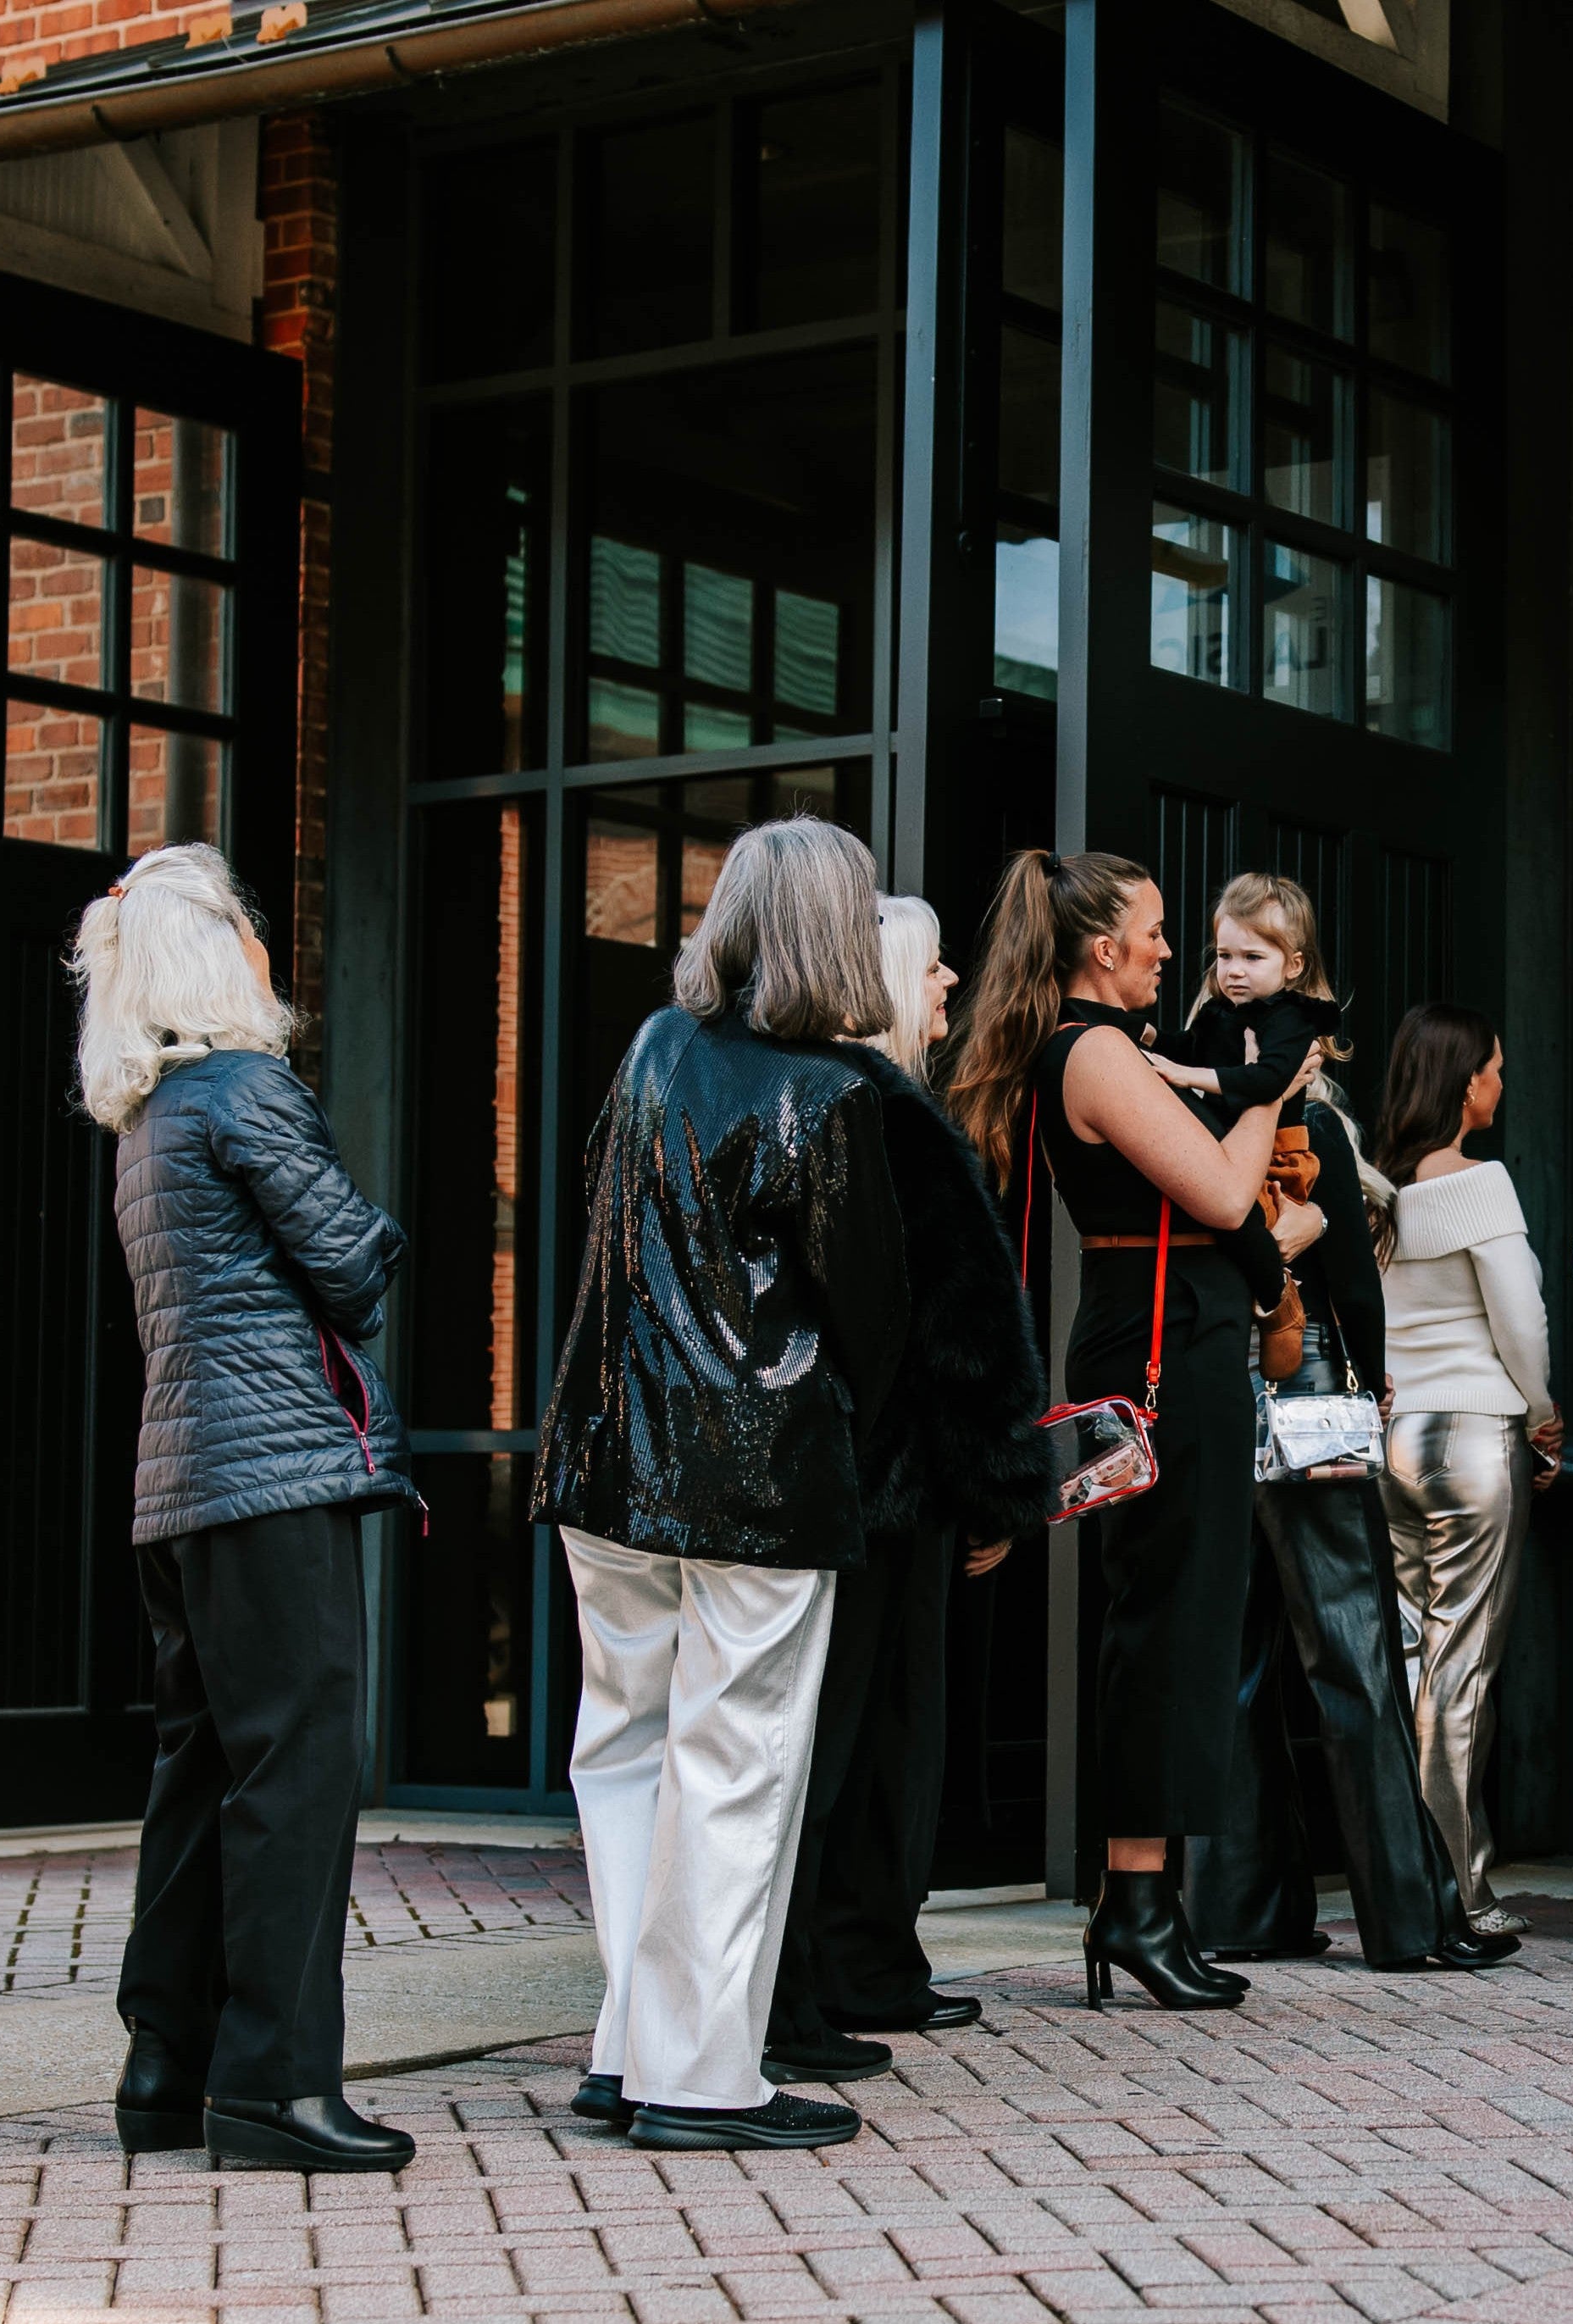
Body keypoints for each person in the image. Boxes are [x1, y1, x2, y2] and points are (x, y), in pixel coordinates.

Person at [536, 816, 919, 2148]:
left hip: (611, 1454)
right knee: (735, 1761)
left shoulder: (654, 1045)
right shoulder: (834, 1091)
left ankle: (629, 2046)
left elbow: (604, 1222)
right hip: (758, 1472)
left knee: (626, 1752)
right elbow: (872, 1309)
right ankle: (698, 2072)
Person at [73, 845, 417, 2174]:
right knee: (299, 1770)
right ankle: (277, 2081)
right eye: (250, 923)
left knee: (204, 1767)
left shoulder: (149, 1115)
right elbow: (353, 1264)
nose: (269, 942)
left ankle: (168, 2063)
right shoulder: (247, 1088)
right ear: (217, 951)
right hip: (273, 1476)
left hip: (181, 1483)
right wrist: (386, 1232)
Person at [939, 849, 1292, 2010]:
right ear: (1103, 948)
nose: (1168, 950)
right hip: (1164, 1349)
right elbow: (1224, 1194)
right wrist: (1272, 1088)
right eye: (1152, 930)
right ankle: (1135, 1900)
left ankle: (1145, 1898)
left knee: (1181, 1618)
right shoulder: (1092, 1051)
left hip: (1176, 1336)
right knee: (1168, 1621)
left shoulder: (1112, 1047)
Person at [1176, 878, 1506, 1975]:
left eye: (1248, 955)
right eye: (1224, 952)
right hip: (1308, 1382)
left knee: (1238, 1653)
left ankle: (1239, 1908)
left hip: (1219, 1385)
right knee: (1356, 1651)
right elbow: (1353, 1280)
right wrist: (1373, 1375)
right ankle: (1412, 1920)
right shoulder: (1305, 1115)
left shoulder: (1192, 1101)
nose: (1231, 970)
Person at [761, 896, 1048, 2061]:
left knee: (859, 1735)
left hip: (835, 1472)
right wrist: (999, 1483)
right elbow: (961, 1325)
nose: (949, 984)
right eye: (930, 966)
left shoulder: (809, 1097)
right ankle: (831, 1975)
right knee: (863, 1736)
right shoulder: (885, 1110)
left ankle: (857, 1964)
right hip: (887, 1478)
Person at [1370, 1001, 1555, 1938]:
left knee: (1411, 1661)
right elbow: (1521, 1318)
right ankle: (1460, 1889)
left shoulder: (1374, 1190)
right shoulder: (1481, 1183)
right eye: (1495, 1067)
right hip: (1477, 1431)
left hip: (1393, 1440)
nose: (1501, 1082)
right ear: (1464, 1080)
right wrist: (1545, 1411)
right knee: (1463, 1667)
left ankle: (1408, 1879)